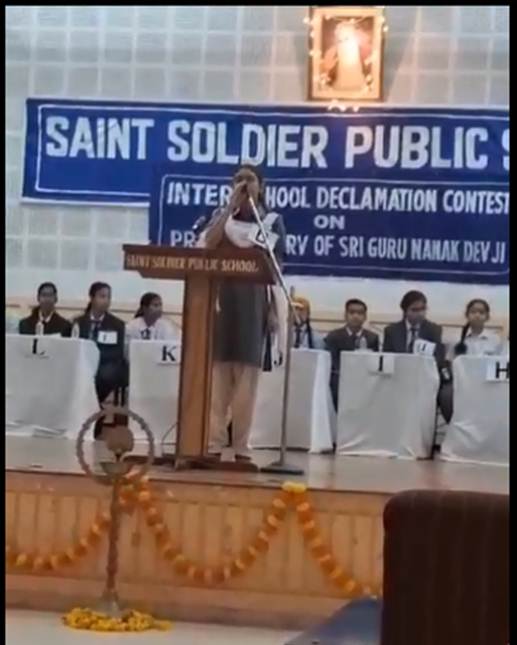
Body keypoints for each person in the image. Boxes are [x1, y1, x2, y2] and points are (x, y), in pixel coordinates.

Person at [198, 164, 286, 461]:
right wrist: (229, 209)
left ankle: (240, 445)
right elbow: (209, 244)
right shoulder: (220, 217)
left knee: (247, 381)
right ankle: (213, 442)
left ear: (261, 186)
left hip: (254, 304)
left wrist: (272, 312)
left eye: (250, 179)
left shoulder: (271, 222)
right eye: (239, 179)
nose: (244, 184)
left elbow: (275, 269)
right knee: (218, 378)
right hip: (222, 302)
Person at [383, 290, 452, 423]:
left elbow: (438, 359)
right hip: (399, 379)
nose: (420, 313)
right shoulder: (391, 330)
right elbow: (387, 357)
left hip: (424, 379)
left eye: (423, 309)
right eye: (414, 310)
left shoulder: (434, 329)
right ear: (405, 311)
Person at [72, 282, 127, 438]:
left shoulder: (117, 324)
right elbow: (73, 346)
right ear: (92, 298)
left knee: (106, 374)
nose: (106, 301)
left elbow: (117, 352)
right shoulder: (78, 322)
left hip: (105, 365)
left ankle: (95, 410)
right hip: (83, 364)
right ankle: (87, 415)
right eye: (102, 296)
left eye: (108, 297)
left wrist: (96, 358)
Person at [324, 298, 380, 410]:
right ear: (345, 315)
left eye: (360, 313)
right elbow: (332, 363)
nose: (355, 316)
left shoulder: (372, 338)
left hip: (364, 388)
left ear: (365, 317)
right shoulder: (334, 336)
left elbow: (374, 365)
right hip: (339, 387)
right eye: (352, 312)